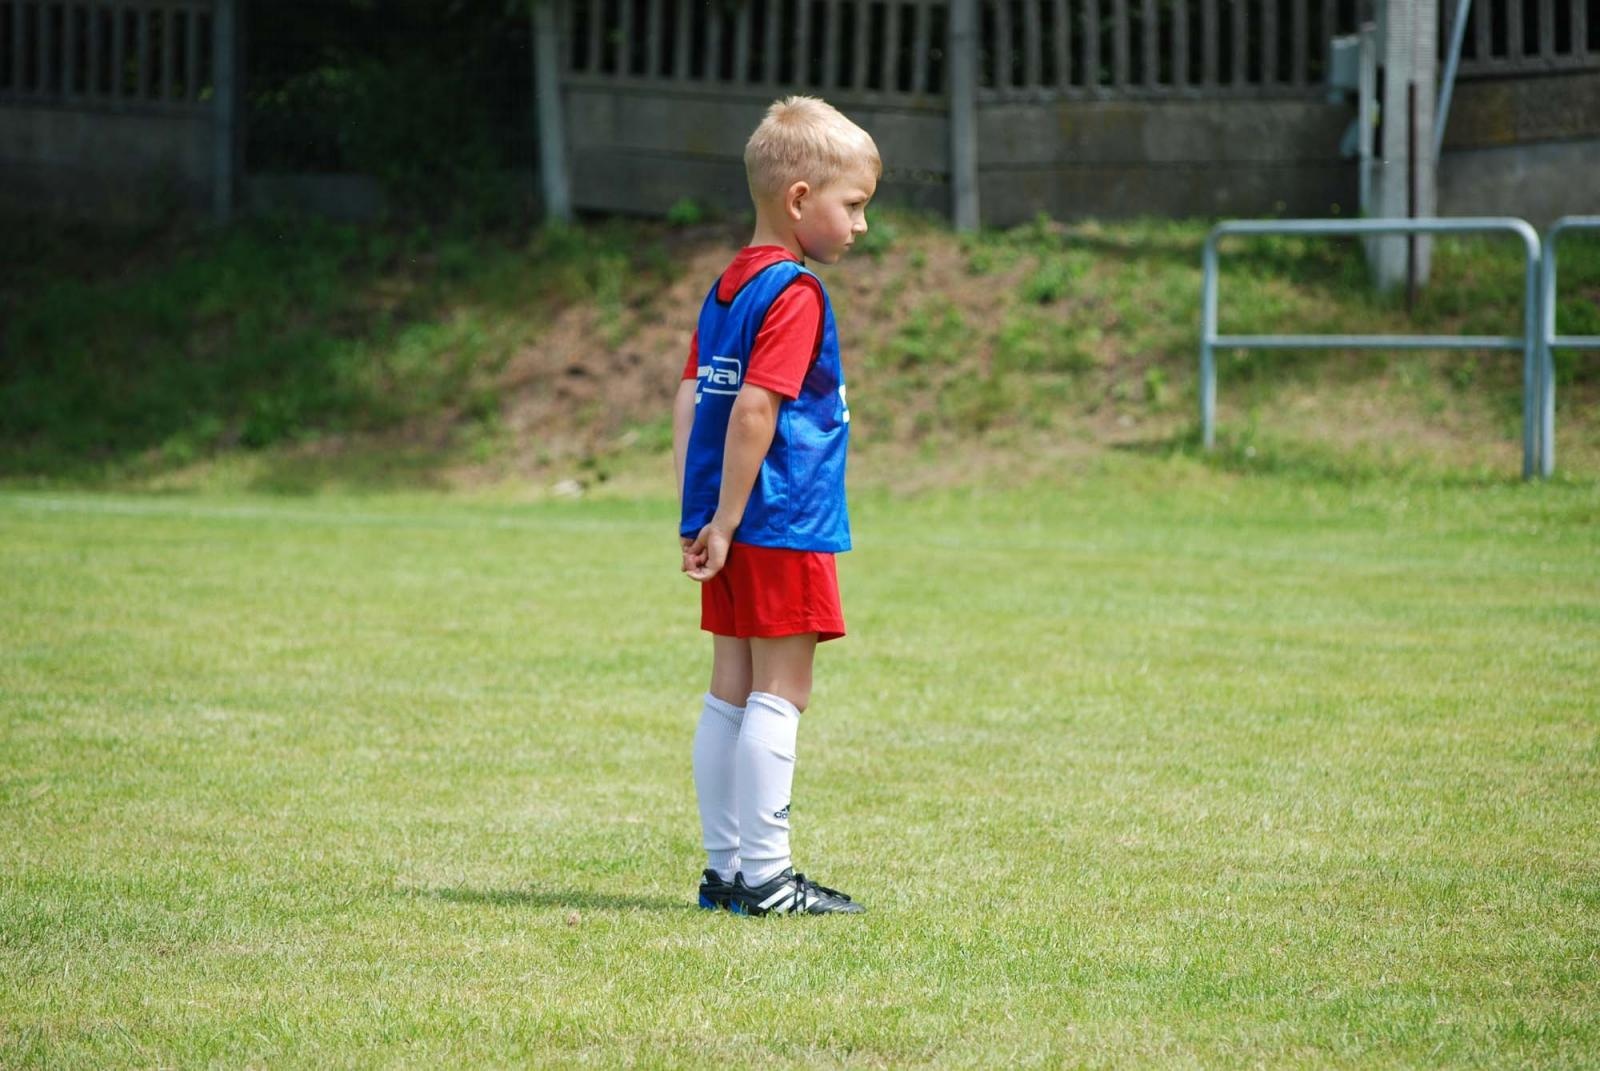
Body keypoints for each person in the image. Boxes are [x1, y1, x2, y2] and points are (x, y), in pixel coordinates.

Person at [672, 96, 879, 917]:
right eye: (853, 204)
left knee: (730, 687)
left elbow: (692, 401)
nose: (861, 225)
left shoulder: (726, 288)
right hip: (781, 518)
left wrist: (701, 514)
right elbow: (756, 407)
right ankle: (767, 876)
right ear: (801, 199)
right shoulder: (794, 293)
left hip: (726, 519)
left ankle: (726, 872)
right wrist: (728, 519)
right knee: (780, 691)